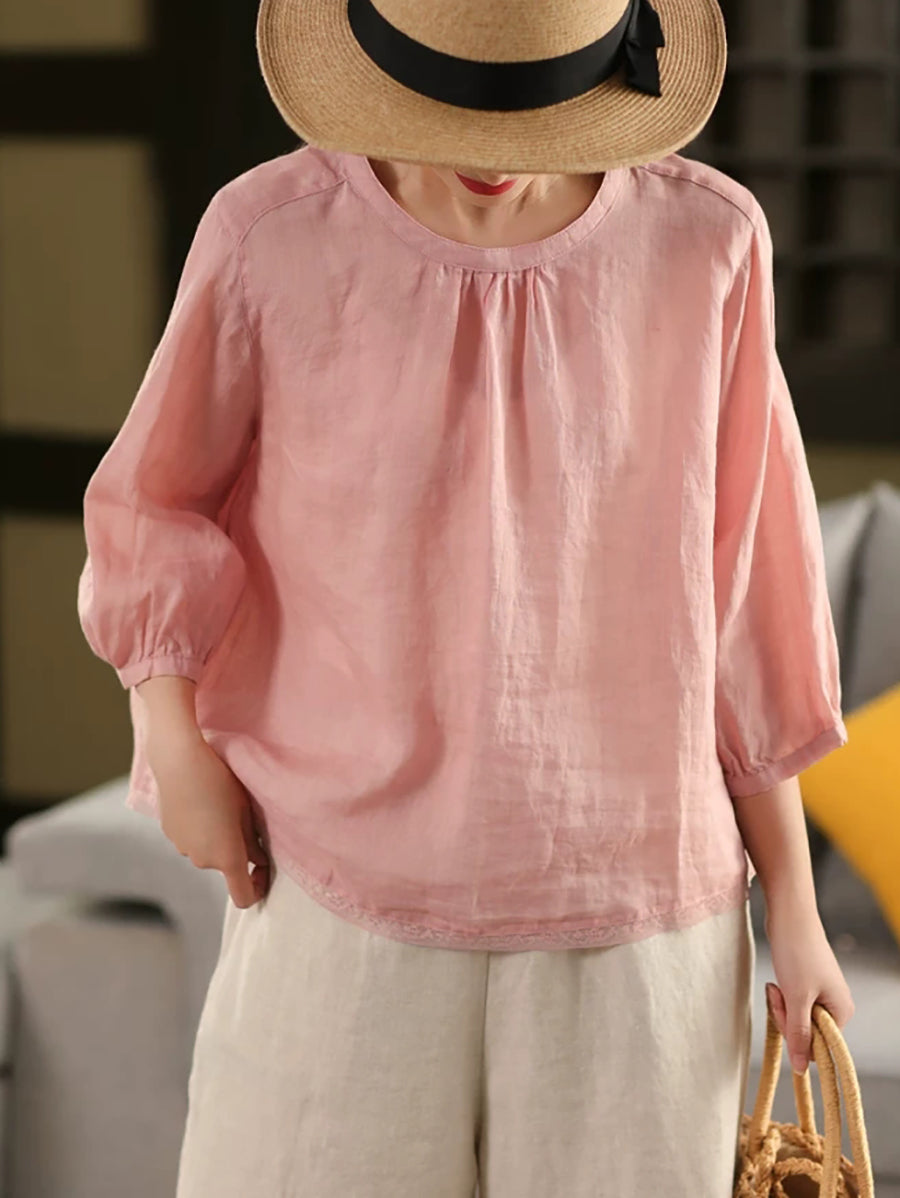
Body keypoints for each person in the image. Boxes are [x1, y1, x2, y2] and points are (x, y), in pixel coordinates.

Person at [77, 0, 856, 1193]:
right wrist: (170, 734)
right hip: (335, 896)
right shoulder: (272, 236)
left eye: (535, 119)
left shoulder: (708, 243)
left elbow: (747, 594)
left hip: (640, 918)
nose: (494, 159)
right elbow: (151, 504)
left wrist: (793, 906)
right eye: (456, 114)